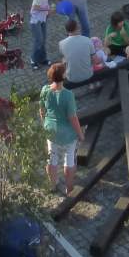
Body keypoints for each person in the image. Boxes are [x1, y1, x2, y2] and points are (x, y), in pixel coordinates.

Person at [39, 62, 84, 195]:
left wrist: (45, 125)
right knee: (69, 160)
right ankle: (69, 188)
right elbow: (73, 118)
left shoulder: (45, 90)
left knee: (52, 159)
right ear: (64, 76)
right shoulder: (68, 95)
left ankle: (53, 185)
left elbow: (42, 110)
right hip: (68, 134)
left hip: (51, 131)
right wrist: (80, 134)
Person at [57, 18, 96, 85]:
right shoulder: (87, 40)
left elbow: (65, 58)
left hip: (71, 78)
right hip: (88, 74)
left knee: (63, 59)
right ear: (78, 27)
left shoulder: (61, 43)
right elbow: (94, 60)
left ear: (66, 31)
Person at [28, 0, 54, 69]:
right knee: (38, 40)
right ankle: (33, 60)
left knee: (43, 39)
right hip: (35, 19)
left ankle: (43, 59)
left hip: (43, 17)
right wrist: (47, 9)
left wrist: (47, 12)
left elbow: (45, 3)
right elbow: (35, 7)